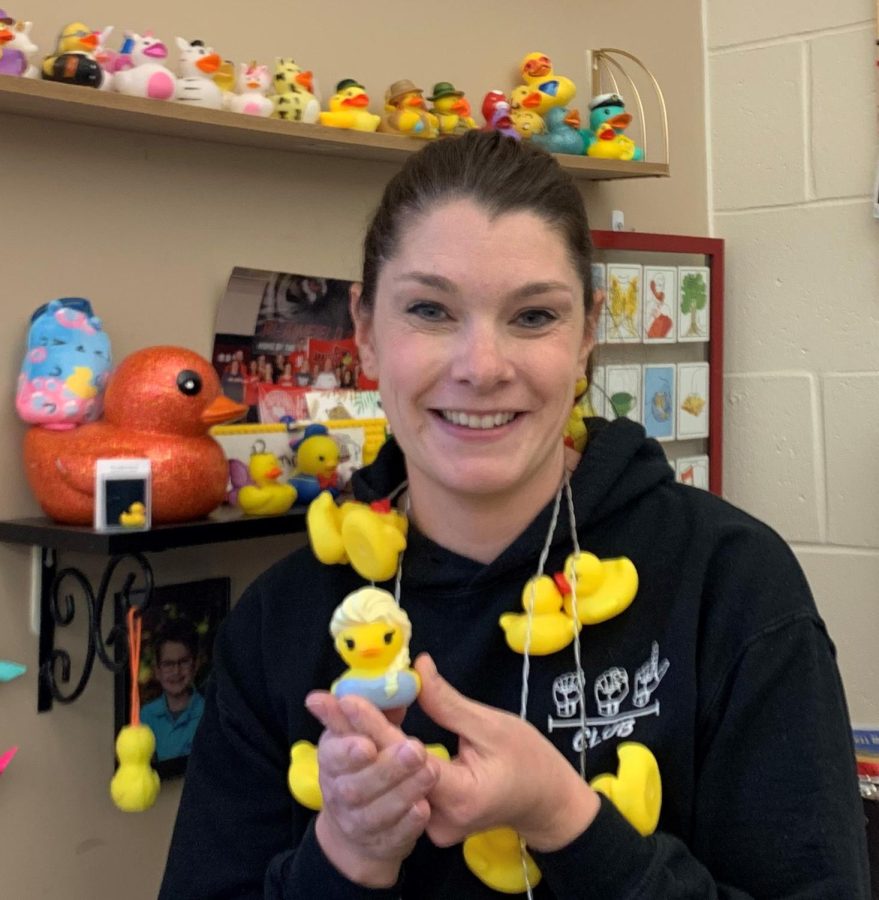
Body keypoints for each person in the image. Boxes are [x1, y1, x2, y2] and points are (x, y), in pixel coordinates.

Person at [160, 131, 869, 898]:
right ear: (364, 328)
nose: (481, 366)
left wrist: (569, 822)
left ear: (589, 331)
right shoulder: (280, 622)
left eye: (533, 317)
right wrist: (343, 854)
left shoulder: (729, 583)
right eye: (429, 310)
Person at [140, 619, 205, 763]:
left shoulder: (208, 713)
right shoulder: (146, 716)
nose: (176, 671)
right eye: (168, 664)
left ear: (195, 664)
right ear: (157, 670)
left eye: (183, 662)